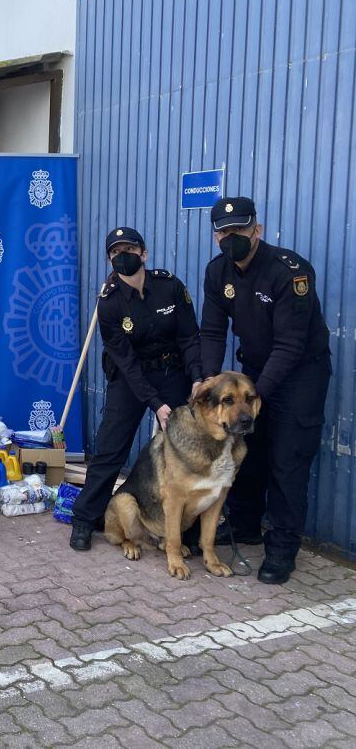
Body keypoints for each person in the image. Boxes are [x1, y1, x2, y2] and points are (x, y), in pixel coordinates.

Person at [199, 197, 331, 585]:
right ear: (216, 236)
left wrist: (254, 397)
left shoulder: (289, 272)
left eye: (239, 229)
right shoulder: (217, 271)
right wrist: (209, 381)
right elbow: (212, 331)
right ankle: (245, 525)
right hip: (254, 374)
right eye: (224, 231)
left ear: (257, 229)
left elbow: (290, 344)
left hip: (300, 375)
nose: (231, 237)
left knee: (288, 460)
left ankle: (282, 548)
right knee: (248, 453)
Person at [70, 227, 203, 552]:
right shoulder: (109, 303)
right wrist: (156, 404)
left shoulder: (170, 286)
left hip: (172, 372)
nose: (123, 256)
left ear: (143, 254)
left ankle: (190, 529)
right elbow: (126, 362)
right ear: (109, 260)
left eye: (129, 250)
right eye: (116, 252)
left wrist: (198, 379)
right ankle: (85, 519)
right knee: (110, 448)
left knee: (187, 447)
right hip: (130, 378)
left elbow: (189, 337)